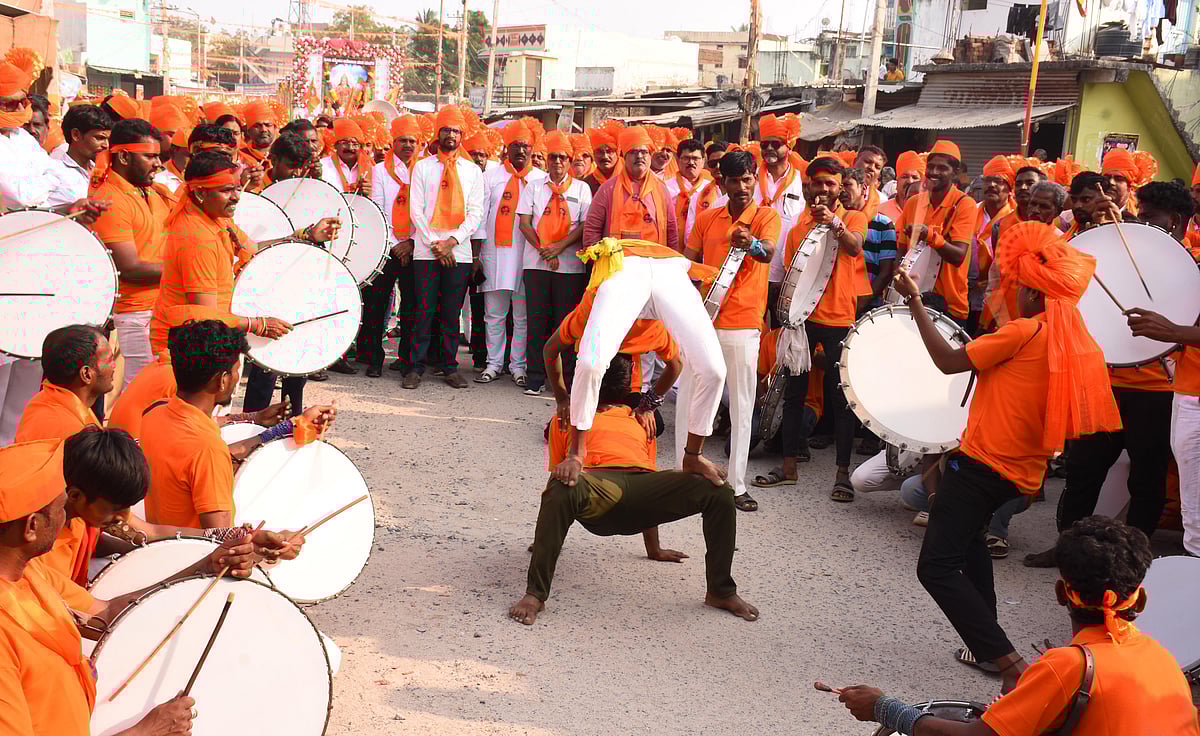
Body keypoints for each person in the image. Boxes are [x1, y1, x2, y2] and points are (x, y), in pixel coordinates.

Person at [892, 221, 1120, 689]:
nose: (1013, 294)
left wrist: (915, 301)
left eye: (1019, 287)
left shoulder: (1025, 331)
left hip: (981, 465)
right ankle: (986, 647)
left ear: (1035, 295)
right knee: (971, 541)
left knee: (935, 566)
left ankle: (1009, 665)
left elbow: (948, 361)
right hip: (1016, 472)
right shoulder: (1072, 340)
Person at [836, 516, 1200, 735]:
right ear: (1140, 599)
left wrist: (886, 709)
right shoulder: (1163, 660)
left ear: (1061, 593)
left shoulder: (1069, 666)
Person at [508, 354, 757, 626]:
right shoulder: (570, 418)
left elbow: (647, 475)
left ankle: (721, 591)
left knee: (719, 491)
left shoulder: (640, 419)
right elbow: (562, 475)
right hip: (598, 491)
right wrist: (547, 540)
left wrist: (655, 549)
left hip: (638, 492)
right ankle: (535, 595)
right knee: (562, 484)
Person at [0, 52, 107, 446]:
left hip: (31, 270)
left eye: (21, 101)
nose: (18, 110)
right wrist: (36, 196)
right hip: (6, 271)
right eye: (7, 103)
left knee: (26, 383)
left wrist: (39, 199)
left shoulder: (23, 141)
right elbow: (24, 192)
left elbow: (36, 191)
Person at [140, 319, 334, 530]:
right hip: (192, 558)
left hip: (162, 551)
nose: (235, 379)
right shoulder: (207, 450)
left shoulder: (155, 411)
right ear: (222, 380)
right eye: (235, 371)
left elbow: (210, 459)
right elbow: (221, 544)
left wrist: (286, 427)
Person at [753, 156, 868, 502]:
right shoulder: (798, 227)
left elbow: (855, 246)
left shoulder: (853, 217)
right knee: (793, 394)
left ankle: (843, 475)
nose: (823, 189)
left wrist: (833, 222)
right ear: (808, 187)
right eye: (817, 183)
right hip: (803, 320)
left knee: (841, 398)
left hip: (838, 320)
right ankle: (788, 468)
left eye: (830, 184)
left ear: (839, 187)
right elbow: (793, 276)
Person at [682, 150, 780, 512]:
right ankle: (687, 472)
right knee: (695, 400)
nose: (740, 187)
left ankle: (737, 485)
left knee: (741, 406)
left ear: (755, 178)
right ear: (721, 182)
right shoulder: (707, 218)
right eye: (733, 180)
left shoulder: (766, 216)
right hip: (704, 321)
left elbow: (768, 252)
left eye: (747, 179)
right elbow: (689, 261)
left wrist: (750, 244)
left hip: (743, 325)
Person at [1109, 181, 1200, 557]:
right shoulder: (1188, 263)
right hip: (1190, 391)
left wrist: (1174, 332)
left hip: (1181, 392)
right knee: (1195, 514)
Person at [404, 105, 487, 390]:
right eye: (446, 129)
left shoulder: (472, 171)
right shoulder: (423, 167)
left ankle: (449, 366)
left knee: (451, 313)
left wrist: (452, 242)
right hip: (426, 251)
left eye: (455, 130)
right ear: (438, 133)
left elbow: (476, 213)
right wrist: (434, 244)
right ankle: (415, 367)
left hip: (458, 252)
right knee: (424, 310)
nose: (450, 135)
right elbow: (416, 210)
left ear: (462, 135)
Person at [88, 118, 175, 389]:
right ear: (124, 156)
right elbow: (129, 267)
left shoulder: (153, 192)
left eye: (158, 156)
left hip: (161, 308)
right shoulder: (110, 199)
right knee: (142, 392)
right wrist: (187, 271)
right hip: (137, 313)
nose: (158, 164)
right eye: (149, 156)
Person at [517, 130, 592, 396]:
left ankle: (566, 378)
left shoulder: (582, 189)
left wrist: (559, 247)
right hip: (536, 264)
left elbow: (584, 225)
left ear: (570, 160)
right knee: (537, 321)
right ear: (547, 160)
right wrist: (542, 248)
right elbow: (524, 222)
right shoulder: (534, 187)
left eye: (563, 157)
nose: (558, 162)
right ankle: (535, 376)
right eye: (553, 157)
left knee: (566, 323)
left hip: (570, 266)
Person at [474, 120, 545, 386]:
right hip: (495, 255)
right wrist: (476, 256)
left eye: (525, 146)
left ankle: (518, 366)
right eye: (515, 145)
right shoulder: (490, 176)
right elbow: (480, 217)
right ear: (507, 148)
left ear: (531, 149)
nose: (520, 151)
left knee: (522, 316)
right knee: (494, 314)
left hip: (528, 256)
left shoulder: (540, 178)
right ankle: (493, 364)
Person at [362, 115, 421, 378]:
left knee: (412, 305)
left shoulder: (424, 170)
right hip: (386, 247)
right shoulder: (379, 171)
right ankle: (374, 358)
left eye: (412, 141)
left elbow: (427, 211)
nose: (407, 145)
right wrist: (397, 244)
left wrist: (411, 243)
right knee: (377, 303)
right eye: (402, 140)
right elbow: (377, 209)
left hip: (416, 246)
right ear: (393, 142)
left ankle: (406, 358)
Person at [895, 140, 976, 328]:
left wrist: (929, 235)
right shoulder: (913, 202)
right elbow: (901, 249)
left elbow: (958, 256)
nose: (934, 172)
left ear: (955, 172)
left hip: (950, 304)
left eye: (942, 168)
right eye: (930, 167)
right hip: (911, 298)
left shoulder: (965, 204)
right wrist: (897, 280)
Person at [583, 126, 678, 249]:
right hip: (618, 263)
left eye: (644, 152)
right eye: (633, 152)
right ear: (624, 156)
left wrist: (671, 260)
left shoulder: (661, 188)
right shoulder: (608, 188)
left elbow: (671, 229)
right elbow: (592, 229)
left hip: (655, 261)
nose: (639, 156)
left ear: (650, 156)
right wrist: (598, 259)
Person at [12, 325, 109, 444]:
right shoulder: (75, 434)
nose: (114, 366)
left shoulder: (44, 400)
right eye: (109, 360)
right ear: (86, 374)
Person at [968, 156, 1016, 335]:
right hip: (966, 291)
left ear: (1010, 187)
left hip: (998, 296)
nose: (992, 185)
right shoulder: (970, 210)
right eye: (988, 180)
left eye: (999, 181)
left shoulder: (1015, 219)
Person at [842, 166, 896, 309]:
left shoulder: (883, 224)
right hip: (837, 303)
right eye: (839, 186)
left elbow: (886, 272)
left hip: (867, 307)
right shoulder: (834, 220)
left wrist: (862, 303)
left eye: (847, 185)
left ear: (863, 188)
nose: (842, 191)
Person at [50, 104, 113, 205]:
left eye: (108, 140)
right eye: (100, 138)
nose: (106, 145)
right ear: (76, 135)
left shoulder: (104, 172)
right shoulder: (54, 172)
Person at [754, 114, 806, 221]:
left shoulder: (801, 180)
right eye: (764, 144)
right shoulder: (751, 177)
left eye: (775, 144)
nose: (769, 148)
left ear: (789, 147)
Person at [684, 141, 729, 242]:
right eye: (713, 163)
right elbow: (689, 236)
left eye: (722, 162)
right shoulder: (699, 196)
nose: (718, 166)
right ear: (707, 166)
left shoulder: (743, 192)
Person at [665, 137, 710, 236]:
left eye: (695, 158)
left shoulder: (711, 189)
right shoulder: (665, 188)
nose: (691, 163)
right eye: (686, 158)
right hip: (672, 244)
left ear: (703, 161)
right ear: (677, 159)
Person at [238, 101, 276, 192]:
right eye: (257, 126)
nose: (263, 130)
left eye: (268, 125)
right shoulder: (240, 156)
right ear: (248, 131)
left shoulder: (284, 154)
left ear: (275, 128)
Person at [879, 150, 922, 222]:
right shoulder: (881, 211)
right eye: (905, 176)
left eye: (915, 177)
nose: (910, 181)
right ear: (897, 181)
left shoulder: (928, 212)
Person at [583, 126, 621, 194]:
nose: (605, 156)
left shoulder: (630, 179)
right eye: (599, 152)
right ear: (593, 155)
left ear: (617, 153)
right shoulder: (586, 185)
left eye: (609, 151)